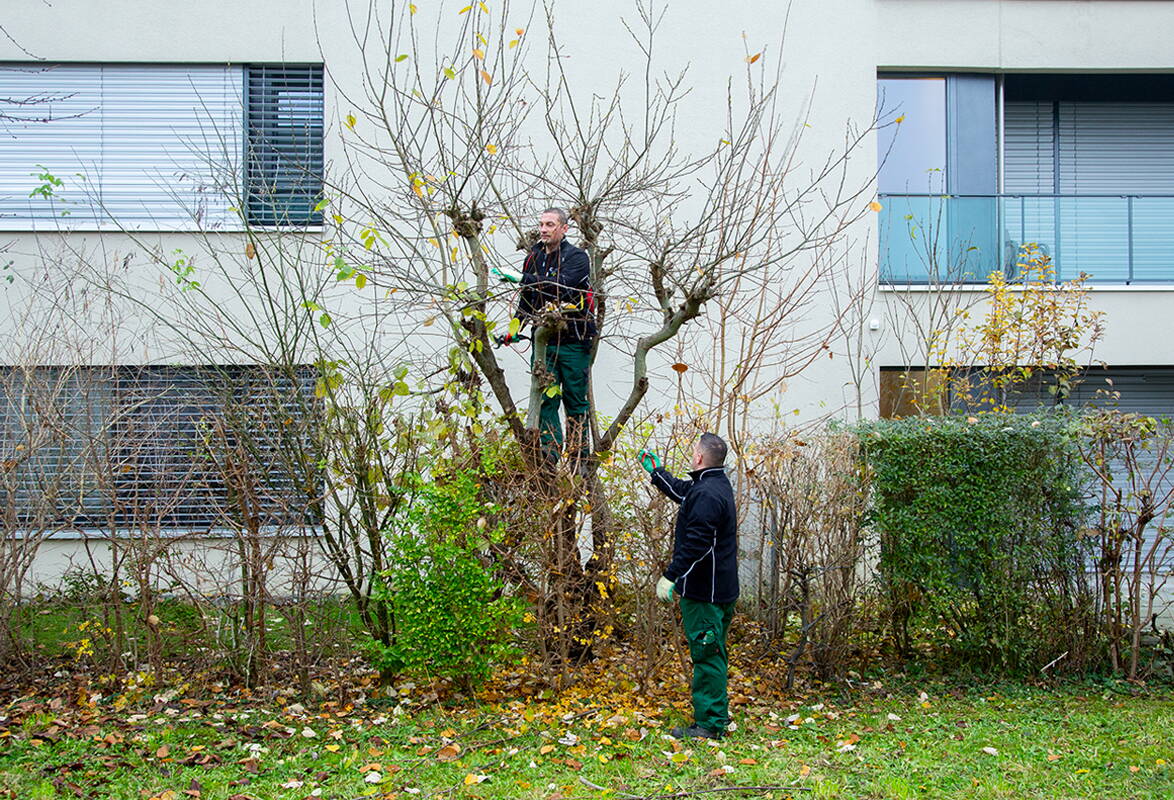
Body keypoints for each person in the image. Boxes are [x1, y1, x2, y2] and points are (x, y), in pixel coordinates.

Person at [640, 433, 738, 740]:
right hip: (718, 590)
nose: (691, 454)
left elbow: (698, 544)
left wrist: (671, 576)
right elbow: (685, 493)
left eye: (693, 451)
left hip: (705, 595)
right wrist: (657, 473)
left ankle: (709, 725)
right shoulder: (712, 485)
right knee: (714, 653)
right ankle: (716, 714)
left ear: (699, 458)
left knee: (707, 655)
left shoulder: (708, 494)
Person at [499, 208, 597, 464]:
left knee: (575, 400)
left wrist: (524, 278)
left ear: (564, 228)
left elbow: (562, 287)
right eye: (541, 224)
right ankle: (550, 453)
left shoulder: (577, 257)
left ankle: (579, 458)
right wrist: (514, 328)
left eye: (550, 224)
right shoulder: (533, 257)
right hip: (545, 341)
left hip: (575, 339)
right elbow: (526, 300)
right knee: (546, 396)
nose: (543, 229)